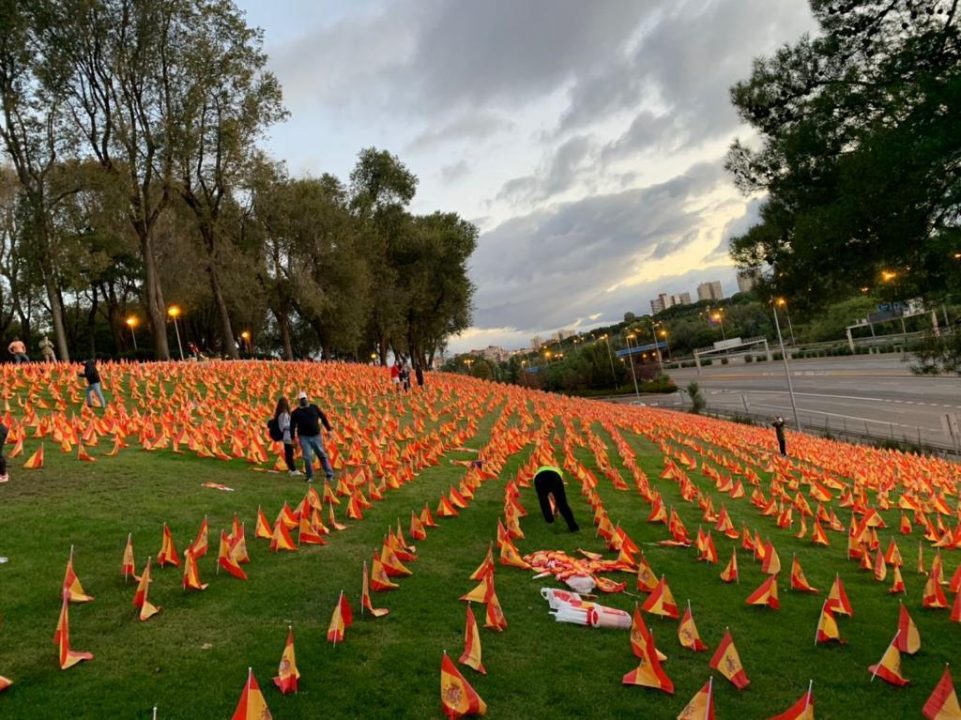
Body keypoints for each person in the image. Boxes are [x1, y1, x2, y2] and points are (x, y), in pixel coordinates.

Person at [290, 390, 334, 483]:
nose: (303, 400)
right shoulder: (295, 413)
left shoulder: (314, 407)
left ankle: (329, 474)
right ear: (299, 401)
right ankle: (310, 476)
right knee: (307, 457)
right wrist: (293, 439)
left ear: (307, 399)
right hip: (303, 437)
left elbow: (323, 417)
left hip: (316, 436)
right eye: (301, 399)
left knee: (321, 455)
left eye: (304, 399)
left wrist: (329, 429)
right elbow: (292, 426)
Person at [533, 465, 579, 532]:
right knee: (562, 503)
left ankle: (549, 519)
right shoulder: (557, 470)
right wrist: (556, 508)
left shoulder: (538, 471)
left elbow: (549, 495)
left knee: (543, 500)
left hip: (539, 478)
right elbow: (557, 495)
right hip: (554, 477)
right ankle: (573, 526)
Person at [274, 396, 300, 477]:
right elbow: (283, 426)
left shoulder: (282, 414)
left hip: (287, 435)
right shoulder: (283, 414)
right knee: (289, 453)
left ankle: (291, 469)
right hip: (287, 435)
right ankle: (292, 470)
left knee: (289, 453)